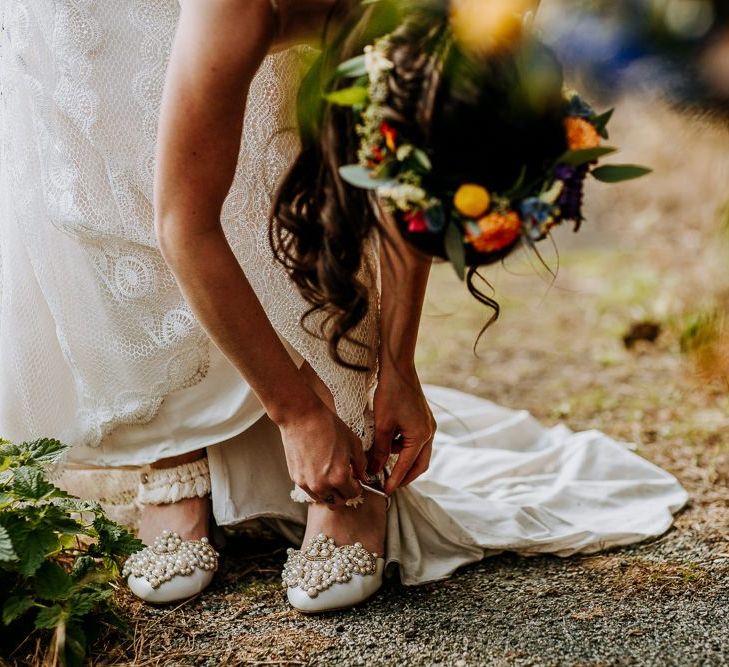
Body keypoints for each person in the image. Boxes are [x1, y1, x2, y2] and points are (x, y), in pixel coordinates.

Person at [0, 0, 687, 614]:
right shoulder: (233, 11)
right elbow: (184, 222)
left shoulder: (440, 26)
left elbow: (401, 171)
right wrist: (295, 412)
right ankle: (175, 446)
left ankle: (350, 414)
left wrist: (397, 369)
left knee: (296, 151)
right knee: (112, 131)